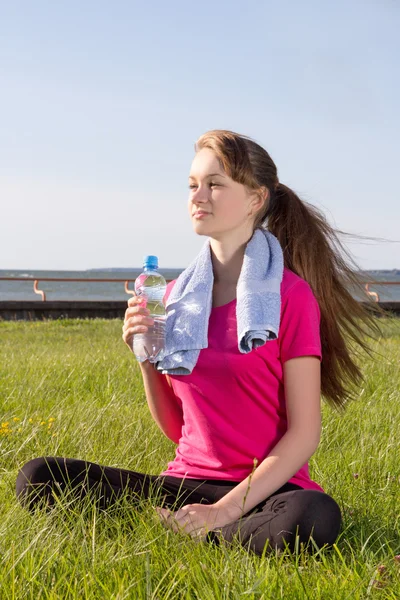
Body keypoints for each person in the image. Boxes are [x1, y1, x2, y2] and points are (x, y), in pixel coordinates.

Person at [16, 130, 383, 557]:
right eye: (193, 185)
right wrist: (145, 357)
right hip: (186, 482)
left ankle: (198, 530)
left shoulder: (290, 296)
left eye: (215, 184)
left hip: (267, 491)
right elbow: (179, 431)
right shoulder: (172, 297)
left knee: (313, 515)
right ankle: (190, 524)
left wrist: (224, 511)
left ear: (255, 199)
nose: (198, 196)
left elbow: (304, 435)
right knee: (38, 475)